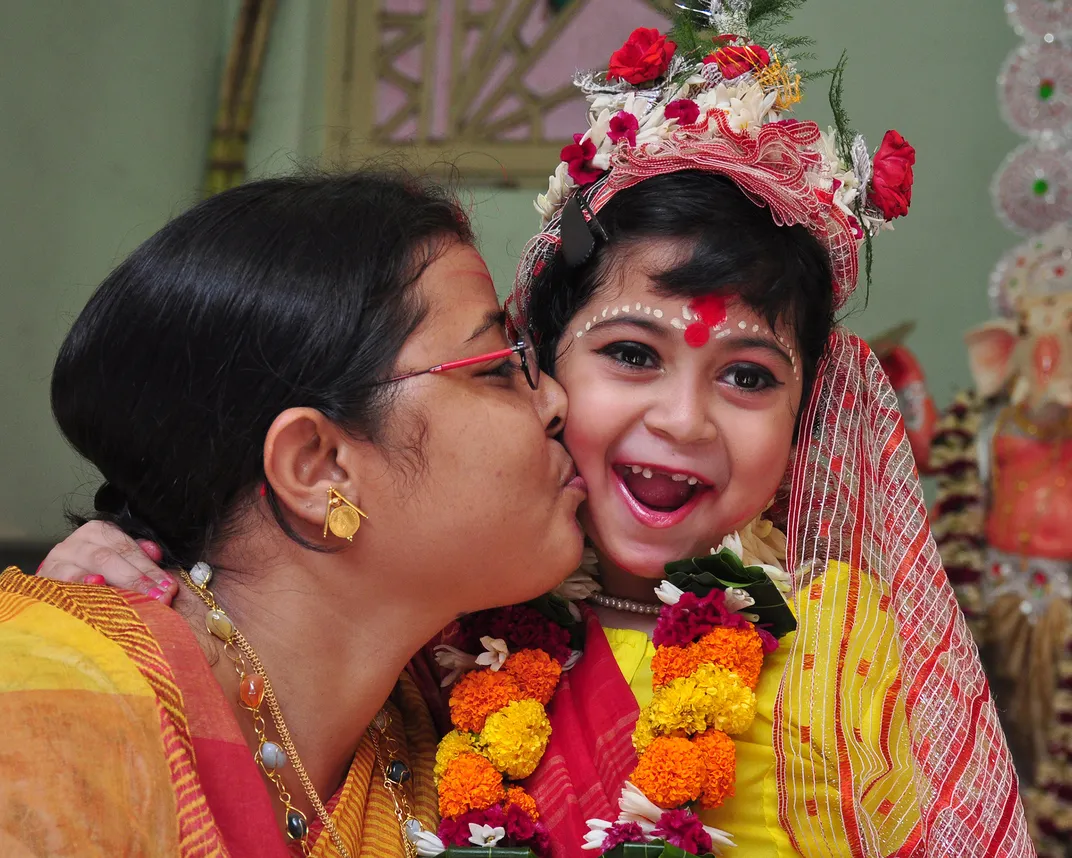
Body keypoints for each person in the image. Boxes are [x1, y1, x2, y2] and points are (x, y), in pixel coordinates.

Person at [40, 5, 1034, 858]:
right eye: (628, 357)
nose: (680, 418)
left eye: (746, 377)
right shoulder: (441, 645)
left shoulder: (828, 647)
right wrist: (109, 594)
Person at [2, 170, 587, 858]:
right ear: (317, 467)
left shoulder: (435, 718)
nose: (554, 401)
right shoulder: (50, 720)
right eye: (496, 366)